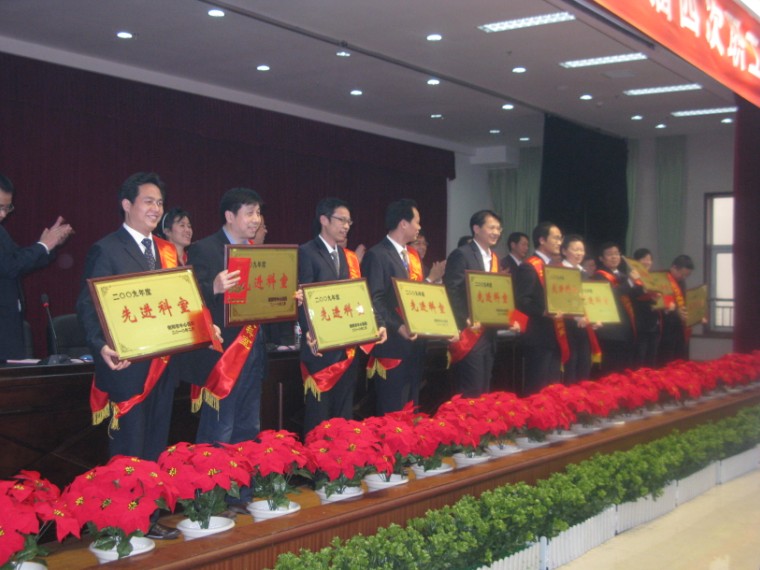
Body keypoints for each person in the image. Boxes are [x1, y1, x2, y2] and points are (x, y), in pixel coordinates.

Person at [77, 172, 181, 539]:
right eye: (148, 201)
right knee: (129, 448)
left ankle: (147, 518)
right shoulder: (106, 249)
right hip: (127, 368)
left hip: (163, 365)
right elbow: (88, 306)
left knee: (155, 446)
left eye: (160, 202)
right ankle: (122, 524)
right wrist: (99, 344)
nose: (156, 209)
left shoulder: (167, 250)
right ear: (127, 205)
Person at [298, 198, 386, 435]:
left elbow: (360, 296)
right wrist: (309, 331)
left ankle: (341, 457)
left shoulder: (348, 256)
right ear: (324, 220)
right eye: (341, 220)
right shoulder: (306, 252)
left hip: (347, 348)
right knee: (319, 416)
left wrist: (377, 323)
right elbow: (301, 299)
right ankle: (317, 458)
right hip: (321, 349)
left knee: (343, 415)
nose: (346, 226)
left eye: (349, 221)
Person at [187, 187, 267, 446]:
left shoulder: (258, 253)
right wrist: (213, 286)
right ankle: (213, 474)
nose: (256, 219)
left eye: (258, 213)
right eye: (250, 213)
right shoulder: (204, 249)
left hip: (254, 349)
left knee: (249, 426)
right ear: (230, 216)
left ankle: (244, 474)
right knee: (220, 430)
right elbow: (187, 299)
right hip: (222, 355)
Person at [361, 199, 426, 415]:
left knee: (412, 407)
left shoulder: (413, 256)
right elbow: (374, 299)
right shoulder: (377, 254)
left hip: (415, 346)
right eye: (417, 222)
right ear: (403, 223)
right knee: (393, 411)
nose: (419, 227)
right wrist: (399, 326)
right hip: (392, 344)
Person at [0, 172, 73, 360]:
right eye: (0, 207)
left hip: (8, 328)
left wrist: (49, 246)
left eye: (7, 208)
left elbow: (19, 260)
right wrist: (43, 246)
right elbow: (10, 266)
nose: (3, 214)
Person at [444, 210, 516, 396]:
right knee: (471, 389)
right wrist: (464, 319)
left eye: (499, 229)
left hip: (489, 334)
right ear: (476, 229)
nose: (496, 232)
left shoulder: (494, 258)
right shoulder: (462, 254)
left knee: (484, 389)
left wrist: (508, 318)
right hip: (470, 333)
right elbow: (452, 291)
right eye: (491, 228)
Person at [515, 222, 565, 394]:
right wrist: (543, 311)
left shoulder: (555, 266)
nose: (559, 242)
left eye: (560, 238)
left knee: (553, 386)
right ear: (542, 240)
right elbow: (522, 300)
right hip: (538, 336)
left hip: (556, 334)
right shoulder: (528, 266)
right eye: (556, 238)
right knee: (538, 386)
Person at [593, 242, 641, 374]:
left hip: (626, 328)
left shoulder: (623, 275)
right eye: (609, 254)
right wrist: (630, 282)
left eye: (616, 253)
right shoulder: (598, 276)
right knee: (611, 368)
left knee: (625, 368)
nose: (614, 257)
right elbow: (610, 294)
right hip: (610, 331)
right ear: (601, 258)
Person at [560, 235, 597, 382]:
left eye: (582, 250)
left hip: (584, 325)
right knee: (571, 365)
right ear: (564, 251)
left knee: (584, 364)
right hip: (566, 325)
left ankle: (582, 395)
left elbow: (590, 299)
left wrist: (595, 317)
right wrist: (578, 316)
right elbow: (560, 299)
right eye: (575, 250)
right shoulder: (558, 271)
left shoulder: (584, 273)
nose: (579, 253)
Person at [659, 254, 695, 365]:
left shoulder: (681, 281)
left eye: (686, 275)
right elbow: (660, 304)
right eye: (682, 274)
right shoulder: (661, 278)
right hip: (664, 327)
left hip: (678, 326)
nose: (683, 277)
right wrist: (676, 312)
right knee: (666, 360)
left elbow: (683, 301)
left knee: (680, 359)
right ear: (674, 267)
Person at [631, 248, 661, 369]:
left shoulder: (654, 278)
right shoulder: (632, 278)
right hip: (639, 323)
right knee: (640, 357)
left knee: (652, 357)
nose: (647, 262)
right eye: (644, 259)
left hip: (654, 322)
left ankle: (650, 379)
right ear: (636, 261)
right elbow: (633, 295)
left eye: (649, 259)